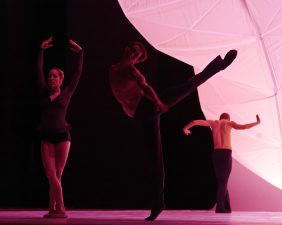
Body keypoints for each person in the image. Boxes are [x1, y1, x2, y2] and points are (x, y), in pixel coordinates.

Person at [109, 41, 237, 220]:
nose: (133, 54)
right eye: (132, 50)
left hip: (148, 108)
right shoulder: (114, 69)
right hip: (142, 114)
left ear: (137, 60)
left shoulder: (133, 71)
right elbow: (120, 94)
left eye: (136, 54)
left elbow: (146, 88)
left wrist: (159, 103)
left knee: (187, 87)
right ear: (126, 49)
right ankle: (158, 203)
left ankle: (219, 65)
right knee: (156, 159)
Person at [36, 36, 83, 218]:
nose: (51, 78)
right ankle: (58, 208)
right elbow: (38, 71)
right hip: (46, 136)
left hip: (63, 136)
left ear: (61, 80)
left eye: (54, 76)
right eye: (49, 76)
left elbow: (78, 74)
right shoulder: (43, 92)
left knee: (57, 174)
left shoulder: (67, 93)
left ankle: (54, 208)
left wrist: (80, 53)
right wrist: (40, 50)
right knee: (51, 174)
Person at [183, 113, 261, 213]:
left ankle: (226, 206)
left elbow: (195, 122)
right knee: (223, 181)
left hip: (216, 153)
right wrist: (257, 122)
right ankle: (219, 207)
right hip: (226, 153)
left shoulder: (213, 123)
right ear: (228, 118)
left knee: (222, 181)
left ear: (220, 118)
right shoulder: (229, 123)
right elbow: (244, 127)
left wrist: (185, 128)